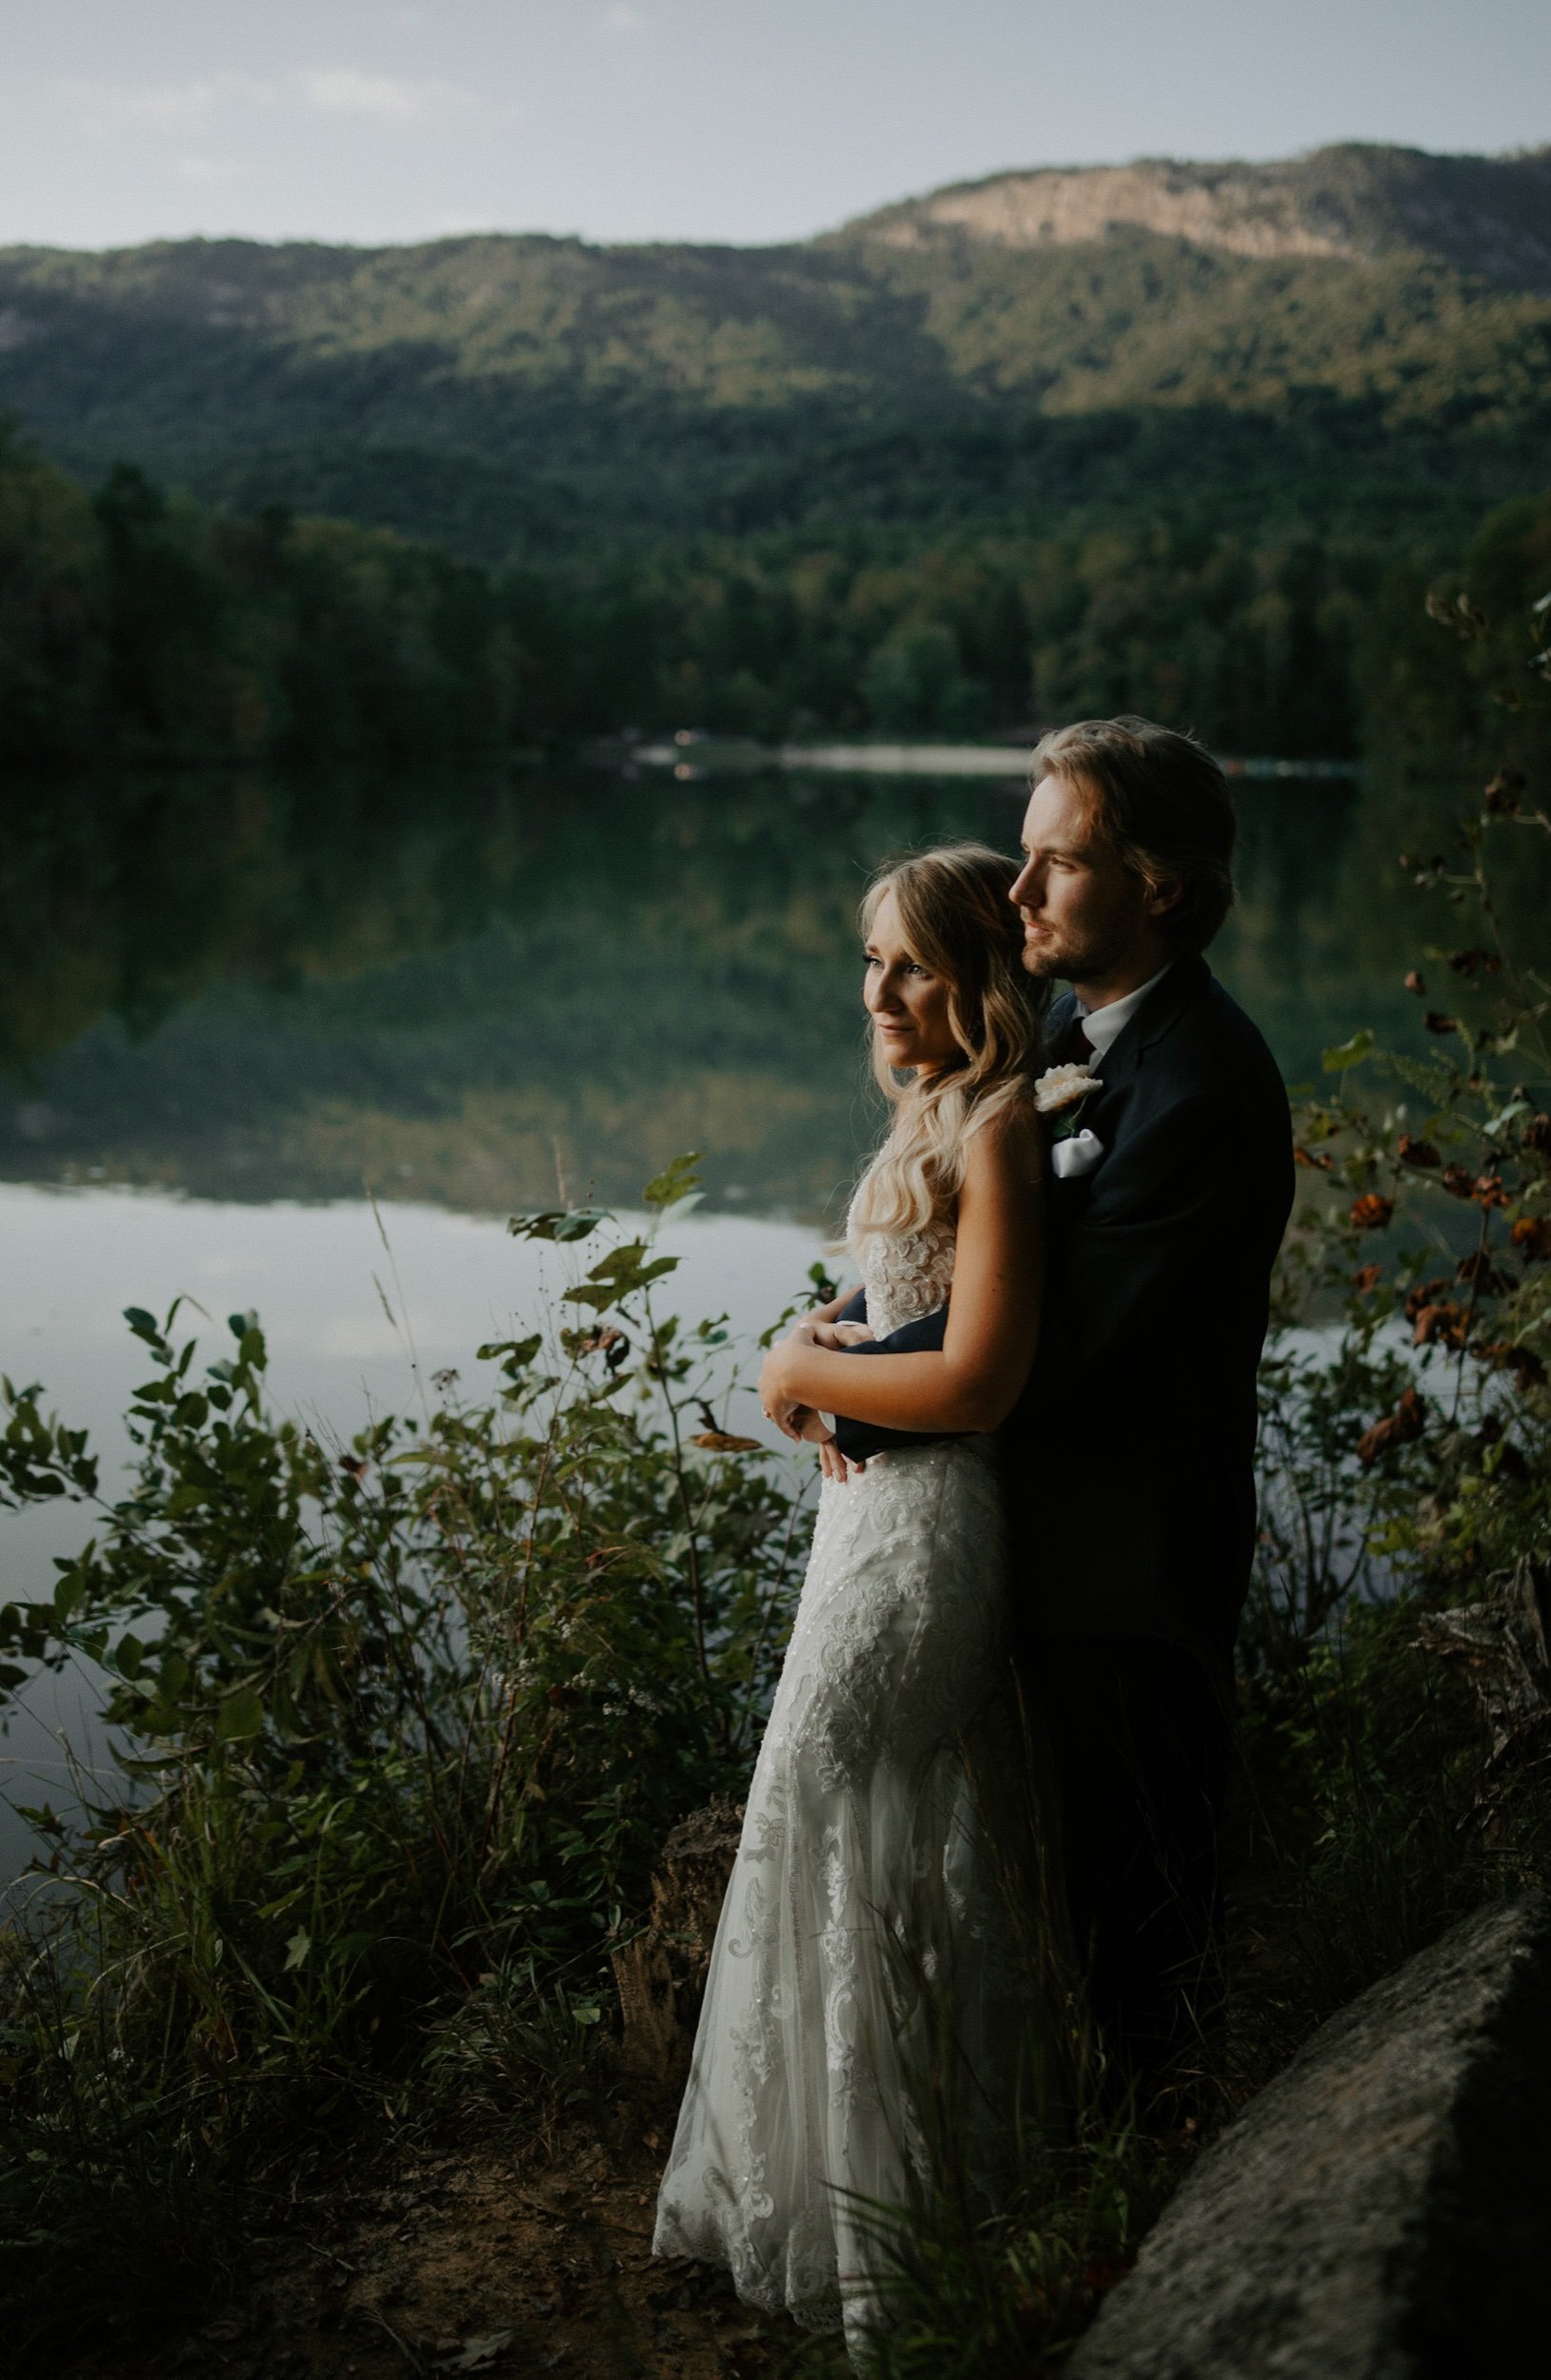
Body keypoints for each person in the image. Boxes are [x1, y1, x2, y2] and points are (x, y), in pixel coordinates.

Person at [824, 716, 1295, 2092]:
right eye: (1024, 859)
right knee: (1036, 1893)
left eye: (1060, 863)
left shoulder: (1199, 1085)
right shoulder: (1069, 1036)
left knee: (1136, 1919)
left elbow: (1062, 1347)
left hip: (1127, 1569)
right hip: (1029, 1540)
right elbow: (977, 1250)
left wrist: (833, 1388)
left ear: (1159, 885)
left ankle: (1162, 2165)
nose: (1019, 891)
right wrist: (848, 1318)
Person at [652, 844, 1064, 2357]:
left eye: (910, 964)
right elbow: (907, 1303)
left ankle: (903, 2221)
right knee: (825, 1813)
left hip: (925, 1536)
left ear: (979, 977)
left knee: (861, 1807)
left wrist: (795, 1377)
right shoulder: (937, 1109)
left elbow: (979, 1379)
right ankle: (818, 2189)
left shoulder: (1002, 1126)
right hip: (862, 1522)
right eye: (869, 961)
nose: (878, 991)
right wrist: (820, 1335)